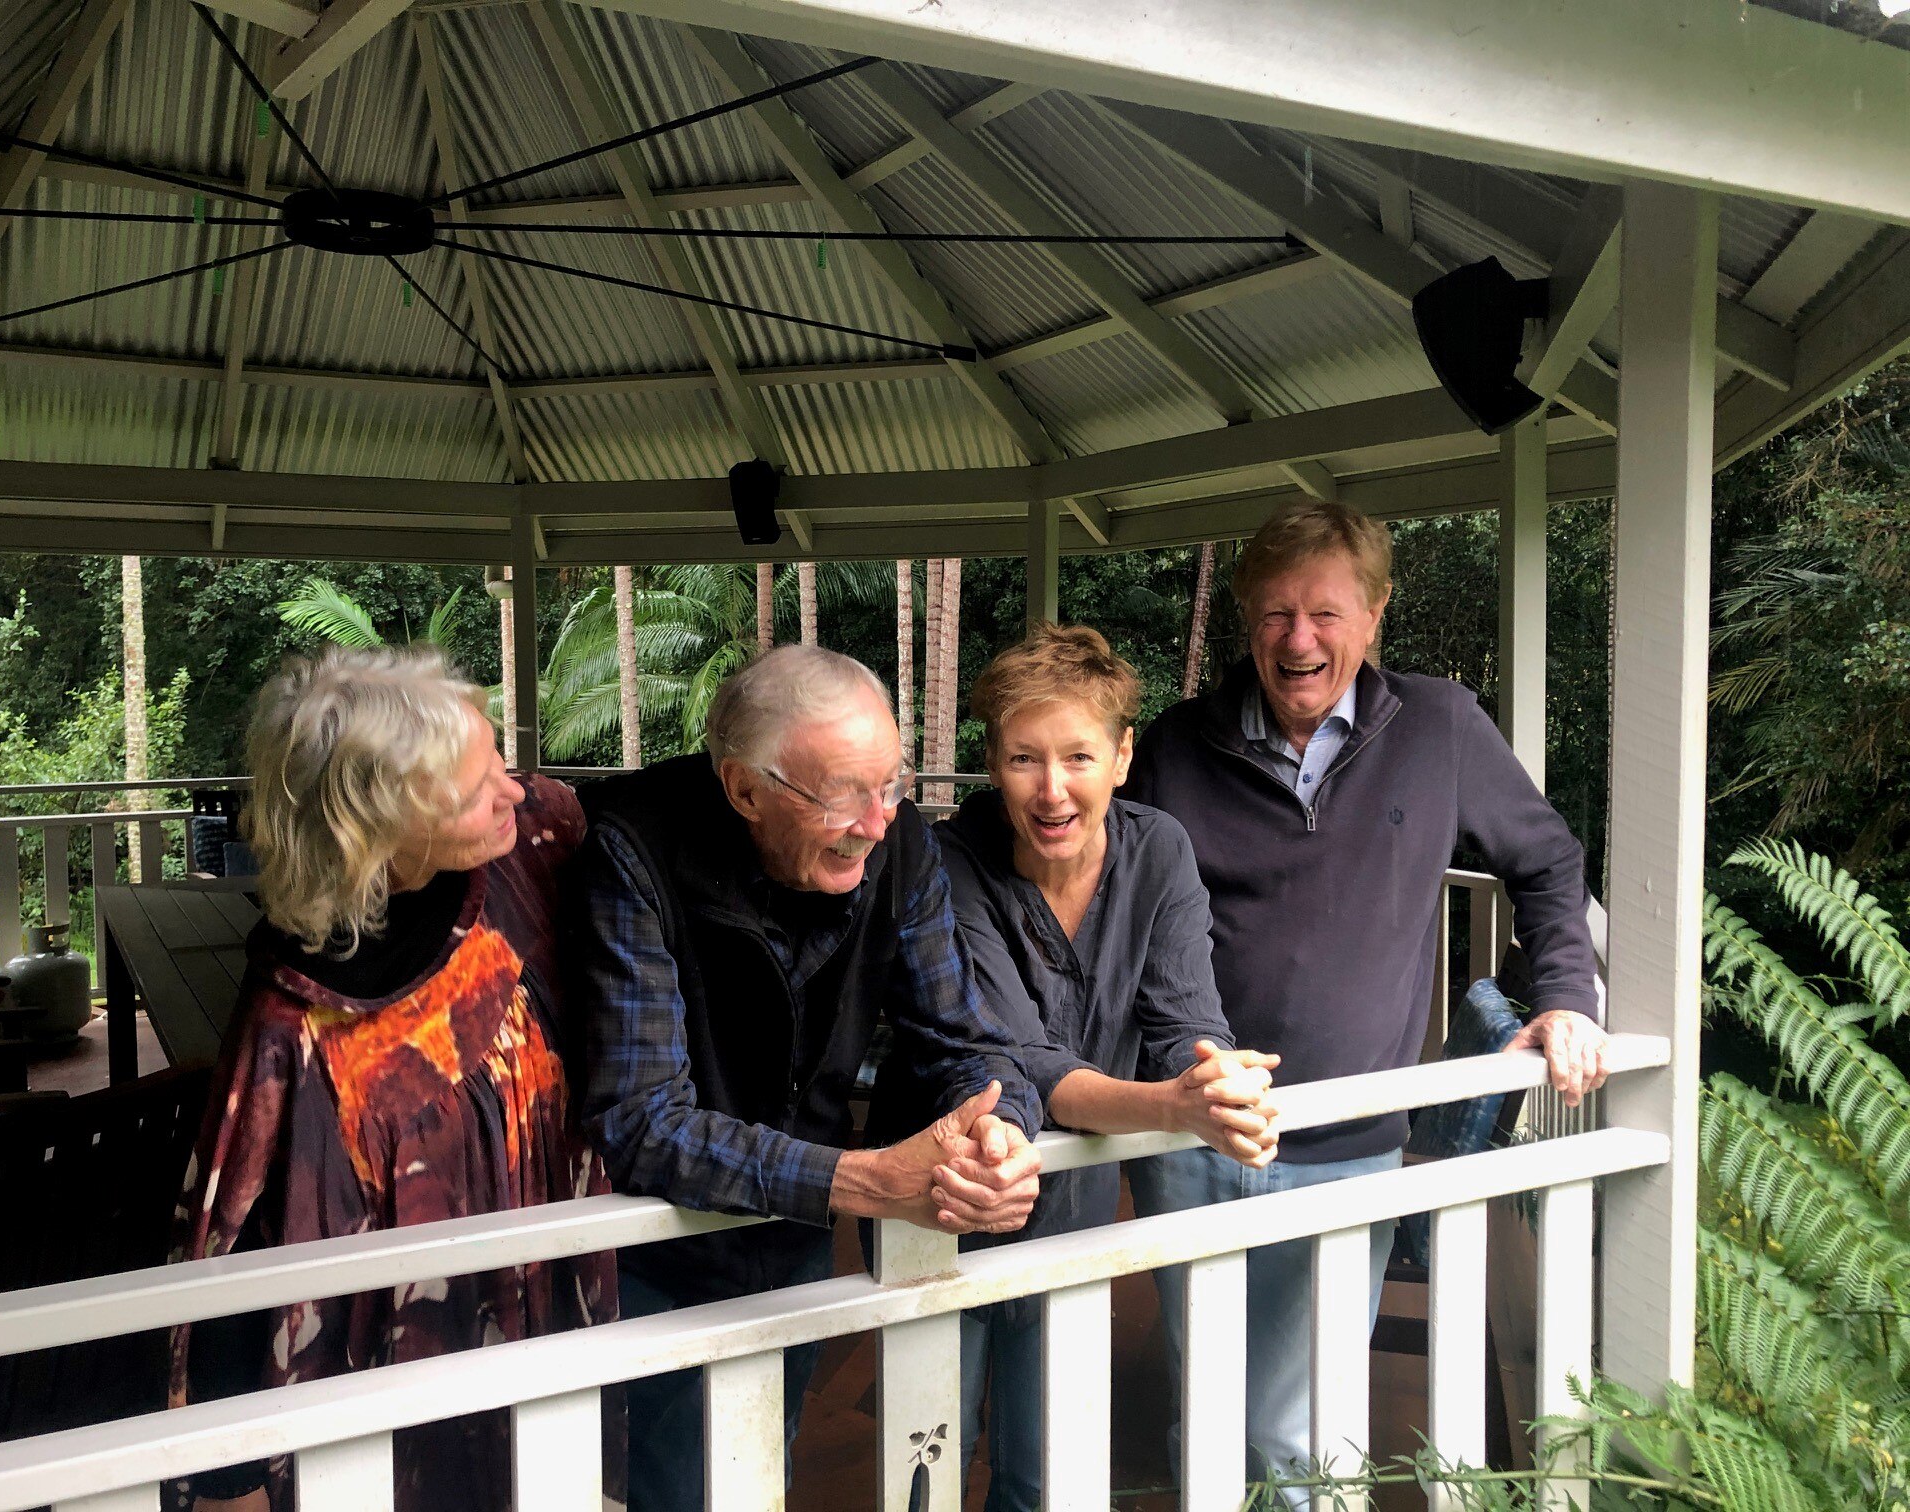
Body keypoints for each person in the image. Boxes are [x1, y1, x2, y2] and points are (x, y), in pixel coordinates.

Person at [1122, 499, 1609, 1506]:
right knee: (1205, 1407)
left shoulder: (1437, 726)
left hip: (1347, 1152)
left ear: (1377, 612)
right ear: (1246, 620)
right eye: (1274, 614)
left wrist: (1564, 994)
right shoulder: (1174, 748)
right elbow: (1100, 902)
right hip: (1192, 1139)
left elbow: (1549, 863)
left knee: (1295, 1434)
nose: (1299, 640)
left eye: (1326, 613)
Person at [563, 645, 1046, 1512]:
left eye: (892, 785)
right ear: (745, 789)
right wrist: (860, 1181)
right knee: (680, 1486)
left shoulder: (899, 847)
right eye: (843, 795)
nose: (877, 820)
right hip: (653, 1254)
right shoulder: (634, 849)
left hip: (792, 1242)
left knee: (758, 1476)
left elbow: (966, 1038)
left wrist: (1000, 1127)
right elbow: (638, 1121)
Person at [168, 646, 617, 1512]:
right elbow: (236, 1246)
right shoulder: (295, 1019)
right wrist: (229, 1479)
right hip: (392, 1379)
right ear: (378, 820)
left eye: (499, 758)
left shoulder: (537, 849)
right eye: (475, 784)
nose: (513, 792)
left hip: (543, 1319)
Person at [936, 623, 1282, 1512]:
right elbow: (1020, 1058)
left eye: (1079, 756)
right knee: (928, 1458)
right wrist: (1175, 1109)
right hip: (943, 1206)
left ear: (1123, 757)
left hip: (1075, 1220)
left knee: (1044, 1471)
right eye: (1023, 759)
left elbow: (1185, 1019)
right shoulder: (948, 861)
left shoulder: (1158, 849)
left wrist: (1213, 1078)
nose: (1052, 790)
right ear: (991, 763)